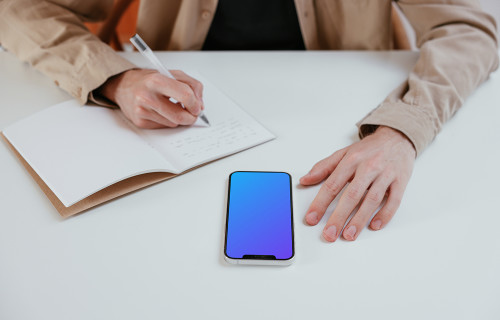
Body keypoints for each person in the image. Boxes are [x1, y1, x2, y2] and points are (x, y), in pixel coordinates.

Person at [0, 0, 498, 242]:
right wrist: (116, 78)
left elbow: (471, 30)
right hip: (180, 139)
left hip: (343, 120)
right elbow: (18, 9)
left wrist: (402, 128)